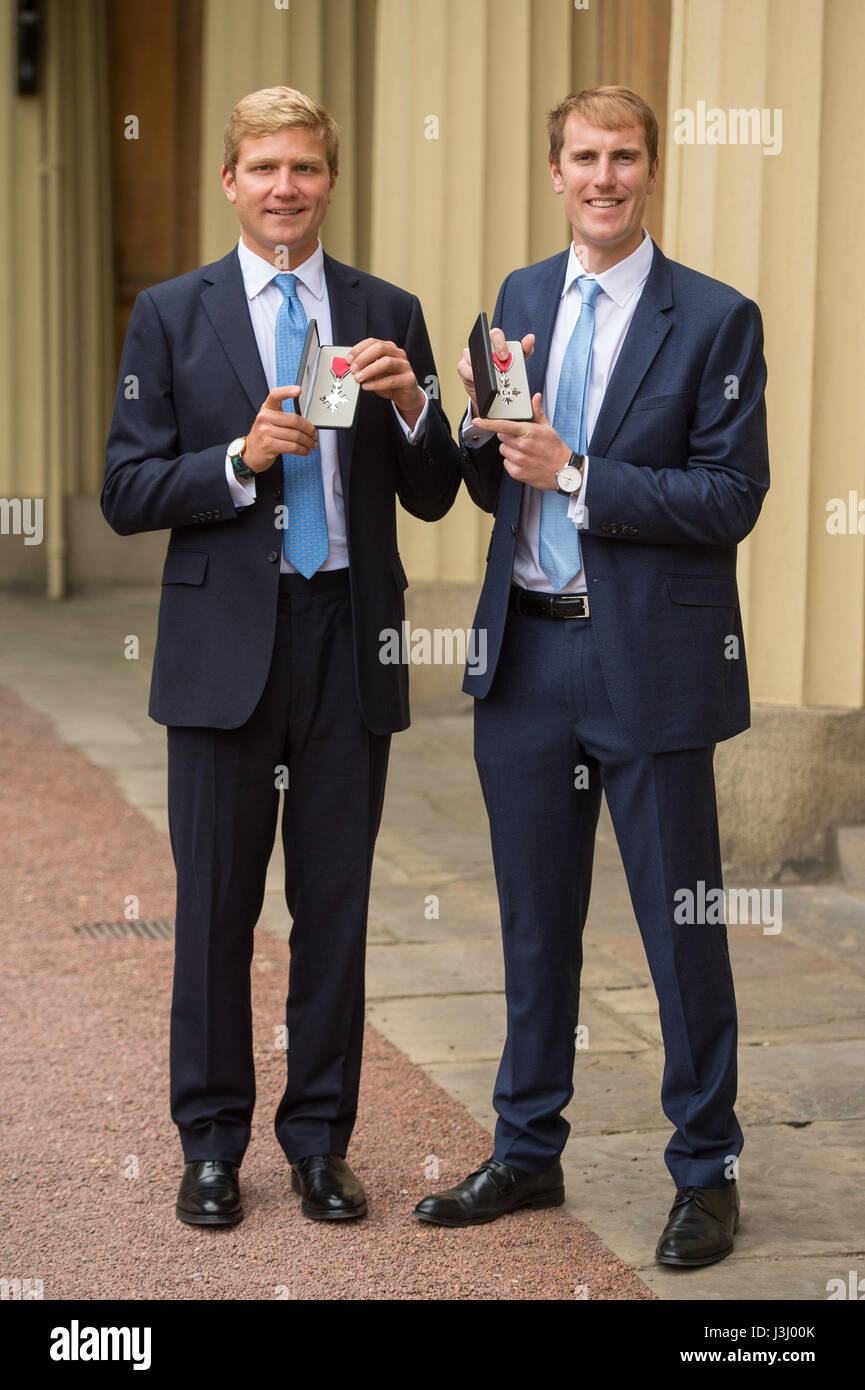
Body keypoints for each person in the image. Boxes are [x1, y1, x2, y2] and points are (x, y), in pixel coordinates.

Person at [414, 86, 769, 1268]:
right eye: (583, 157)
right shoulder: (517, 299)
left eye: (623, 156)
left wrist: (578, 473)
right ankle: (527, 1146)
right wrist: (477, 437)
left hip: (649, 667)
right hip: (524, 653)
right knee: (532, 923)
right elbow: (497, 480)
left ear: (650, 172)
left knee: (681, 927)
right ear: (553, 171)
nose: (603, 176)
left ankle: (705, 1171)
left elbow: (730, 499)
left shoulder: (715, 320)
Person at [102, 86, 462, 1227]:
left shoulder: (383, 306)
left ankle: (319, 1142)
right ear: (230, 183)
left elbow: (439, 491)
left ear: (330, 180)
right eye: (263, 168)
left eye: (304, 167)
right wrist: (237, 457)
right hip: (223, 651)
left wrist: (413, 410)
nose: (284, 188)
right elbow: (124, 489)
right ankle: (210, 1146)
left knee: (337, 904)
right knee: (213, 904)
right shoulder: (170, 312)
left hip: (347, 636)